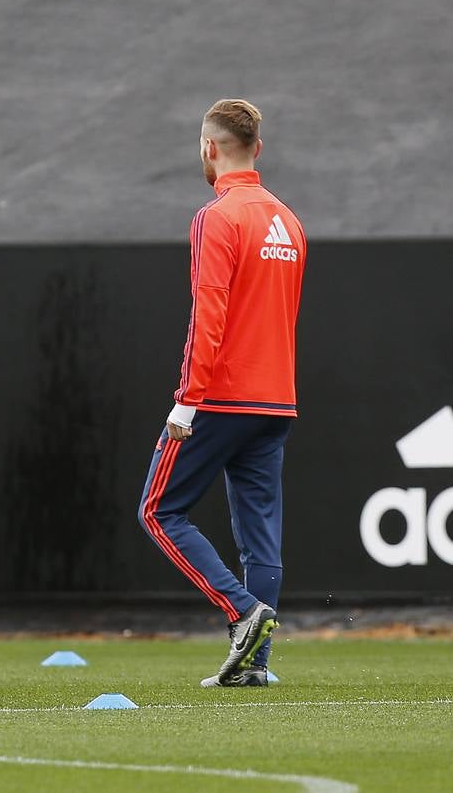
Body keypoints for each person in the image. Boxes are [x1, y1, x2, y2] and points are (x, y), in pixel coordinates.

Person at [137, 99, 306, 687]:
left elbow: (208, 316)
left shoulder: (218, 216)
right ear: (257, 148)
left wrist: (187, 399)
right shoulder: (288, 220)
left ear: (209, 148)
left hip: (220, 397)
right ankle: (254, 668)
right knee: (261, 533)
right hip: (276, 400)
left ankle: (242, 613)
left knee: (159, 510)